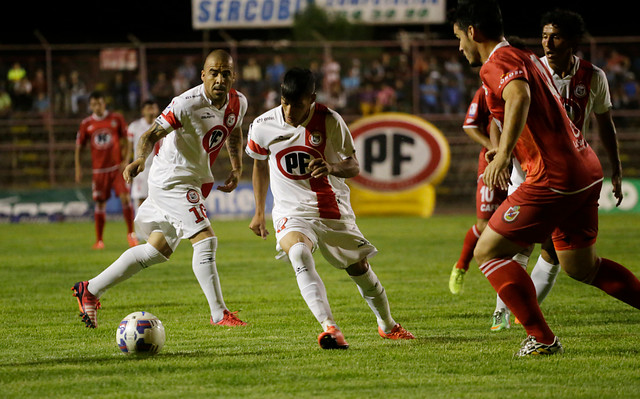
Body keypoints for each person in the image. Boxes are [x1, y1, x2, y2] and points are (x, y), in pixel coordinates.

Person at [450, 0, 640, 356]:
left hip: (553, 176)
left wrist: (504, 154)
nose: (459, 47)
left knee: (489, 250)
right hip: (584, 168)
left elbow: (517, 95)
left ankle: (542, 338)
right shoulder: (524, 56)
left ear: (473, 32)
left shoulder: (497, 63)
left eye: (459, 38)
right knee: (582, 267)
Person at [71, 50, 248, 329]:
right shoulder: (185, 103)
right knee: (205, 240)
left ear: (233, 76)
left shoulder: (239, 103)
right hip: (172, 180)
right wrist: (140, 158)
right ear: (203, 75)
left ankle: (89, 290)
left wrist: (236, 168)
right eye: (213, 72)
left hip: (193, 180)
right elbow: (150, 135)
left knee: (155, 252)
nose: (219, 78)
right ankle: (219, 314)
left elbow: (233, 130)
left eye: (226, 73)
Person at [247, 67, 414, 349]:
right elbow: (259, 165)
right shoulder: (263, 124)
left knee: (358, 268)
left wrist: (332, 167)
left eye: (297, 105)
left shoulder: (330, 121)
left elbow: (353, 165)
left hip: (331, 209)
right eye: (284, 102)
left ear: (311, 99)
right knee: (298, 253)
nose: (288, 111)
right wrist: (259, 211)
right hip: (292, 211)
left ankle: (387, 325)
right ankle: (330, 329)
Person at [449, 87, 507, 297]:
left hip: (525, 163)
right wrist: (496, 150)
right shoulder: (487, 89)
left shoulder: (530, 82)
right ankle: (461, 266)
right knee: (484, 225)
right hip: (491, 161)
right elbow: (470, 125)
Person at [75, 90, 137, 249]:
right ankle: (99, 240)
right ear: (90, 105)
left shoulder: (116, 118)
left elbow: (125, 140)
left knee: (125, 198)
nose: (97, 107)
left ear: (105, 103)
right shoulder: (86, 124)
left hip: (117, 168)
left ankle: (131, 235)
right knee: (100, 204)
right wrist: (78, 167)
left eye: (100, 103)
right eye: (94, 104)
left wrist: (125, 160)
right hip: (99, 171)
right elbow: (79, 147)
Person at [126, 99, 160, 238]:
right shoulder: (134, 126)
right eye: (148, 108)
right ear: (143, 111)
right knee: (140, 199)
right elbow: (129, 149)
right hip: (141, 168)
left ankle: (156, 231)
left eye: (153, 108)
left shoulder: (163, 123)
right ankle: (139, 233)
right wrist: (127, 163)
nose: (151, 111)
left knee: (157, 200)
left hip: (158, 167)